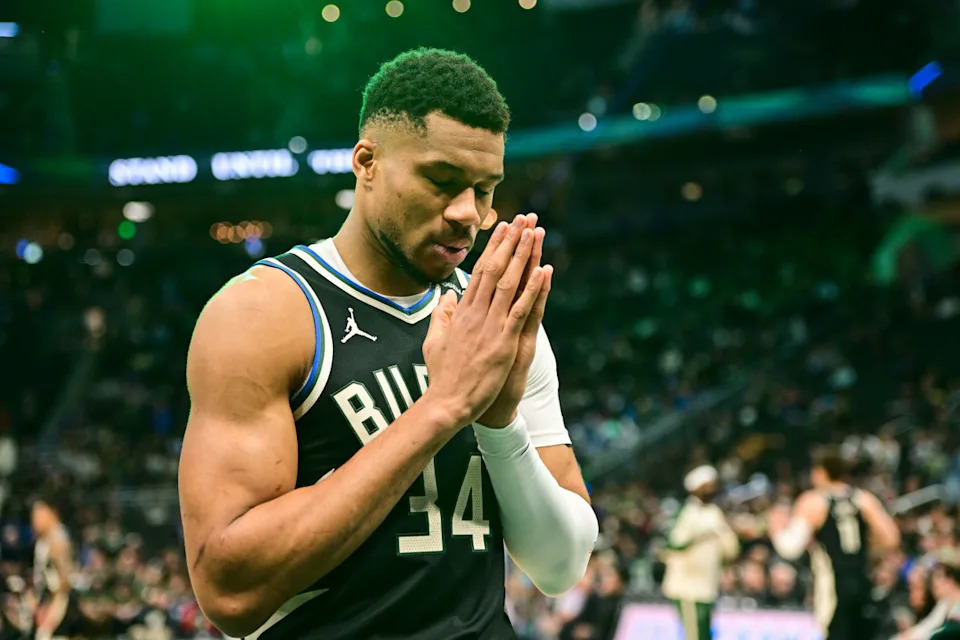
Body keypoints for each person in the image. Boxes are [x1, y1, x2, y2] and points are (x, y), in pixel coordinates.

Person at [178, 47, 598, 640]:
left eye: (484, 189)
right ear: (367, 162)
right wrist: (442, 409)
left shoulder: (492, 320)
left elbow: (560, 567)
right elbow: (228, 589)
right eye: (441, 180)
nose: (467, 214)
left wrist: (500, 424)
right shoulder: (263, 313)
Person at [768, 448, 901, 640]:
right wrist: (869, 549)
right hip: (862, 581)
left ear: (822, 472)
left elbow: (790, 548)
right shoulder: (863, 498)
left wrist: (776, 527)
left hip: (831, 585)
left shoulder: (813, 501)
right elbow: (891, 538)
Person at [661, 465, 740, 640]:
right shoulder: (686, 512)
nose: (712, 489)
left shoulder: (714, 513)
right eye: (708, 485)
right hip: (687, 588)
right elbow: (674, 544)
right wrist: (700, 536)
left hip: (708, 586)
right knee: (694, 635)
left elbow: (730, 548)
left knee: (704, 634)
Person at [30, 496, 81, 640]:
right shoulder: (44, 538)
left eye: (38, 514)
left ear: (51, 513)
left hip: (57, 601)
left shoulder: (57, 538)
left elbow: (64, 578)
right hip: (47, 598)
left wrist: (51, 608)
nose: (34, 520)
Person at [897, 551, 960, 640]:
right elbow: (924, 629)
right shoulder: (943, 605)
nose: (933, 583)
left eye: (939, 576)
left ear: (951, 579)